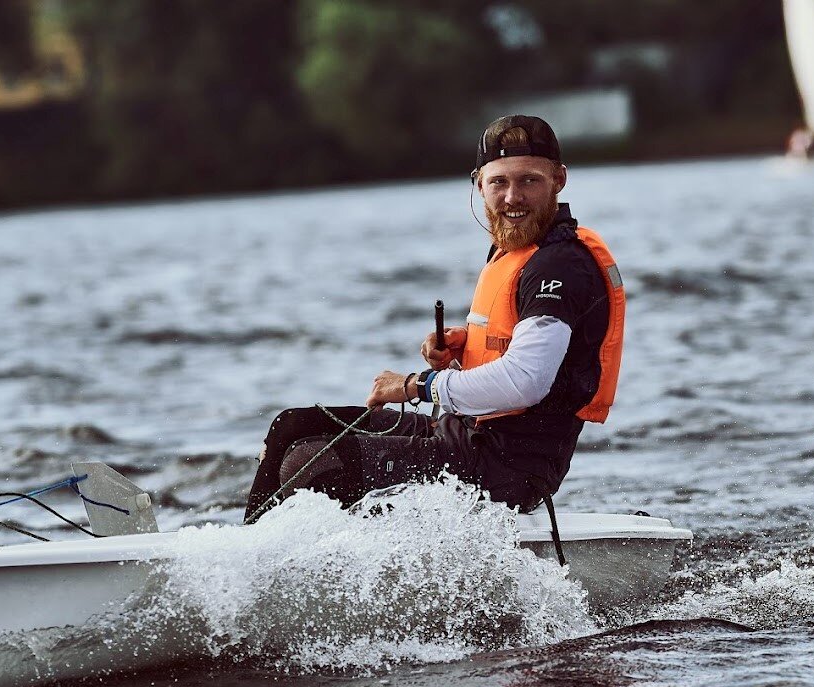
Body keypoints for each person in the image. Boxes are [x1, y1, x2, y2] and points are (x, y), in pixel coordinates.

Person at [243, 114, 625, 523]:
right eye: (499, 182)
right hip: (464, 434)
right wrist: (465, 346)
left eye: (529, 180)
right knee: (293, 426)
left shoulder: (559, 264)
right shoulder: (517, 247)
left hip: (508, 468)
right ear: (479, 183)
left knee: (316, 461)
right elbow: (516, 343)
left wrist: (416, 385)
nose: (513, 197)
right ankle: (249, 549)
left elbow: (526, 381)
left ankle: (301, 576)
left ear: (559, 180)